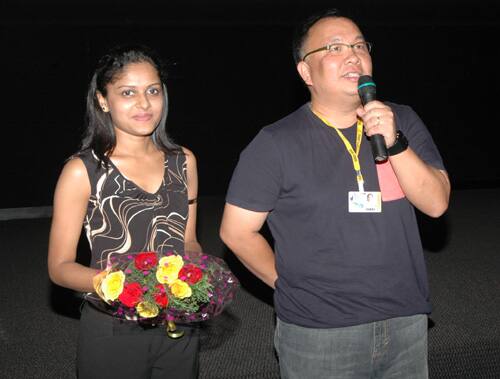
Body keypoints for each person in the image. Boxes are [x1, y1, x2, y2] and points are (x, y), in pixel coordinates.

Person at [220, 9, 450, 379]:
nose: (353, 54)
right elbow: (235, 231)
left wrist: (395, 143)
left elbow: (436, 204)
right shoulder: (276, 142)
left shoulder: (401, 120)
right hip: (320, 332)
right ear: (305, 72)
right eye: (335, 47)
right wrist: (289, 284)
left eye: (360, 45)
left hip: (405, 320)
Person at [48, 45, 201, 379]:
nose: (144, 104)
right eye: (128, 93)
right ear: (103, 100)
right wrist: (116, 283)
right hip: (112, 326)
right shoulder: (83, 171)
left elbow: (188, 241)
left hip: (177, 321)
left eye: (152, 91)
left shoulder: (183, 161)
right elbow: (59, 267)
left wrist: (193, 274)